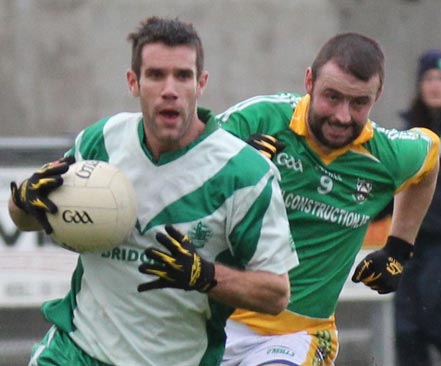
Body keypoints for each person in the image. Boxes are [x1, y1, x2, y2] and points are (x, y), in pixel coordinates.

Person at [8, 17, 299, 366]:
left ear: (201, 83)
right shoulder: (102, 140)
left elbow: (276, 294)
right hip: (76, 351)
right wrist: (23, 200)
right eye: (156, 75)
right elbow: (23, 220)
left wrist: (204, 275)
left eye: (183, 76)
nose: (170, 90)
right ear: (134, 82)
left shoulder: (245, 174)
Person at [217, 32, 440, 366]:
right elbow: (185, 171)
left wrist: (398, 247)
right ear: (309, 81)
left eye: (359, 103)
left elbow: (430, 158)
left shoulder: (387, 155)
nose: (342, 116)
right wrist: (231, 168)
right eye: (332, 97)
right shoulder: (260, 119)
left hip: (296, 336)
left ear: (377, 96)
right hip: (211, 314)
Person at [394, 49, 441, 366]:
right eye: (429, 78)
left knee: (435, 315)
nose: (436, 85)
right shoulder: (409, 134)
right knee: (406, 329)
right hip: (411, 245)